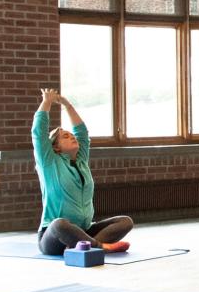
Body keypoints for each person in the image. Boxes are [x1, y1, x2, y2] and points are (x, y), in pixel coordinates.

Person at [32, 88, 133, 256]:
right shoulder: (48, 162)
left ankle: (83, 246)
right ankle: (98, 247)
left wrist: (67, 105)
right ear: (55, 147)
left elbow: (82, 133)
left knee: (125, 221)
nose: (72, 137)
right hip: (54, 237)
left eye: (72, 135)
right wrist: (47, 102)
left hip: (84, 231)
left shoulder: (81, 160)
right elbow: (38, 132)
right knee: (59, 224)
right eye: (65, 136)